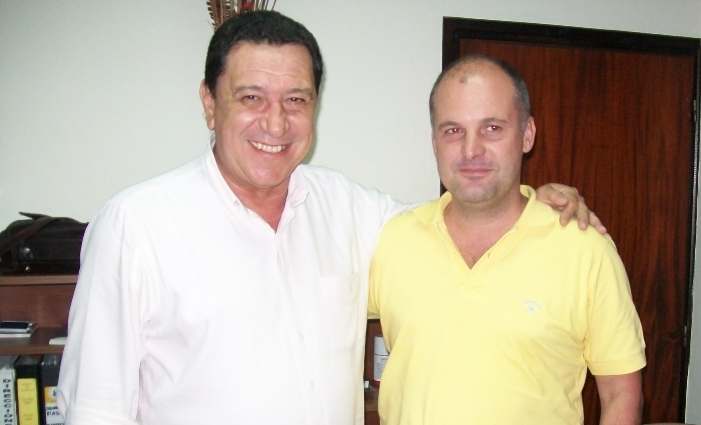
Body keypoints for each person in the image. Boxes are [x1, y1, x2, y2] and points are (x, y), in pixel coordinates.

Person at [57, 12, 602, 425]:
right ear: (208, 103)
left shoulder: (350, 209)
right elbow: (96, 408)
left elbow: (459, 219)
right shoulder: (136, 226)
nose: (276, 123)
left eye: (296, 100)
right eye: (251, 97)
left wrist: (531, 198)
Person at [367, 54, 646, 425]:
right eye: (453, 131)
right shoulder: (392, 240)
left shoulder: (585, 251)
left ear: (527, 134)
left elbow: (621, 394)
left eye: (492, 128)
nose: (471, 150)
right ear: (434, 142)